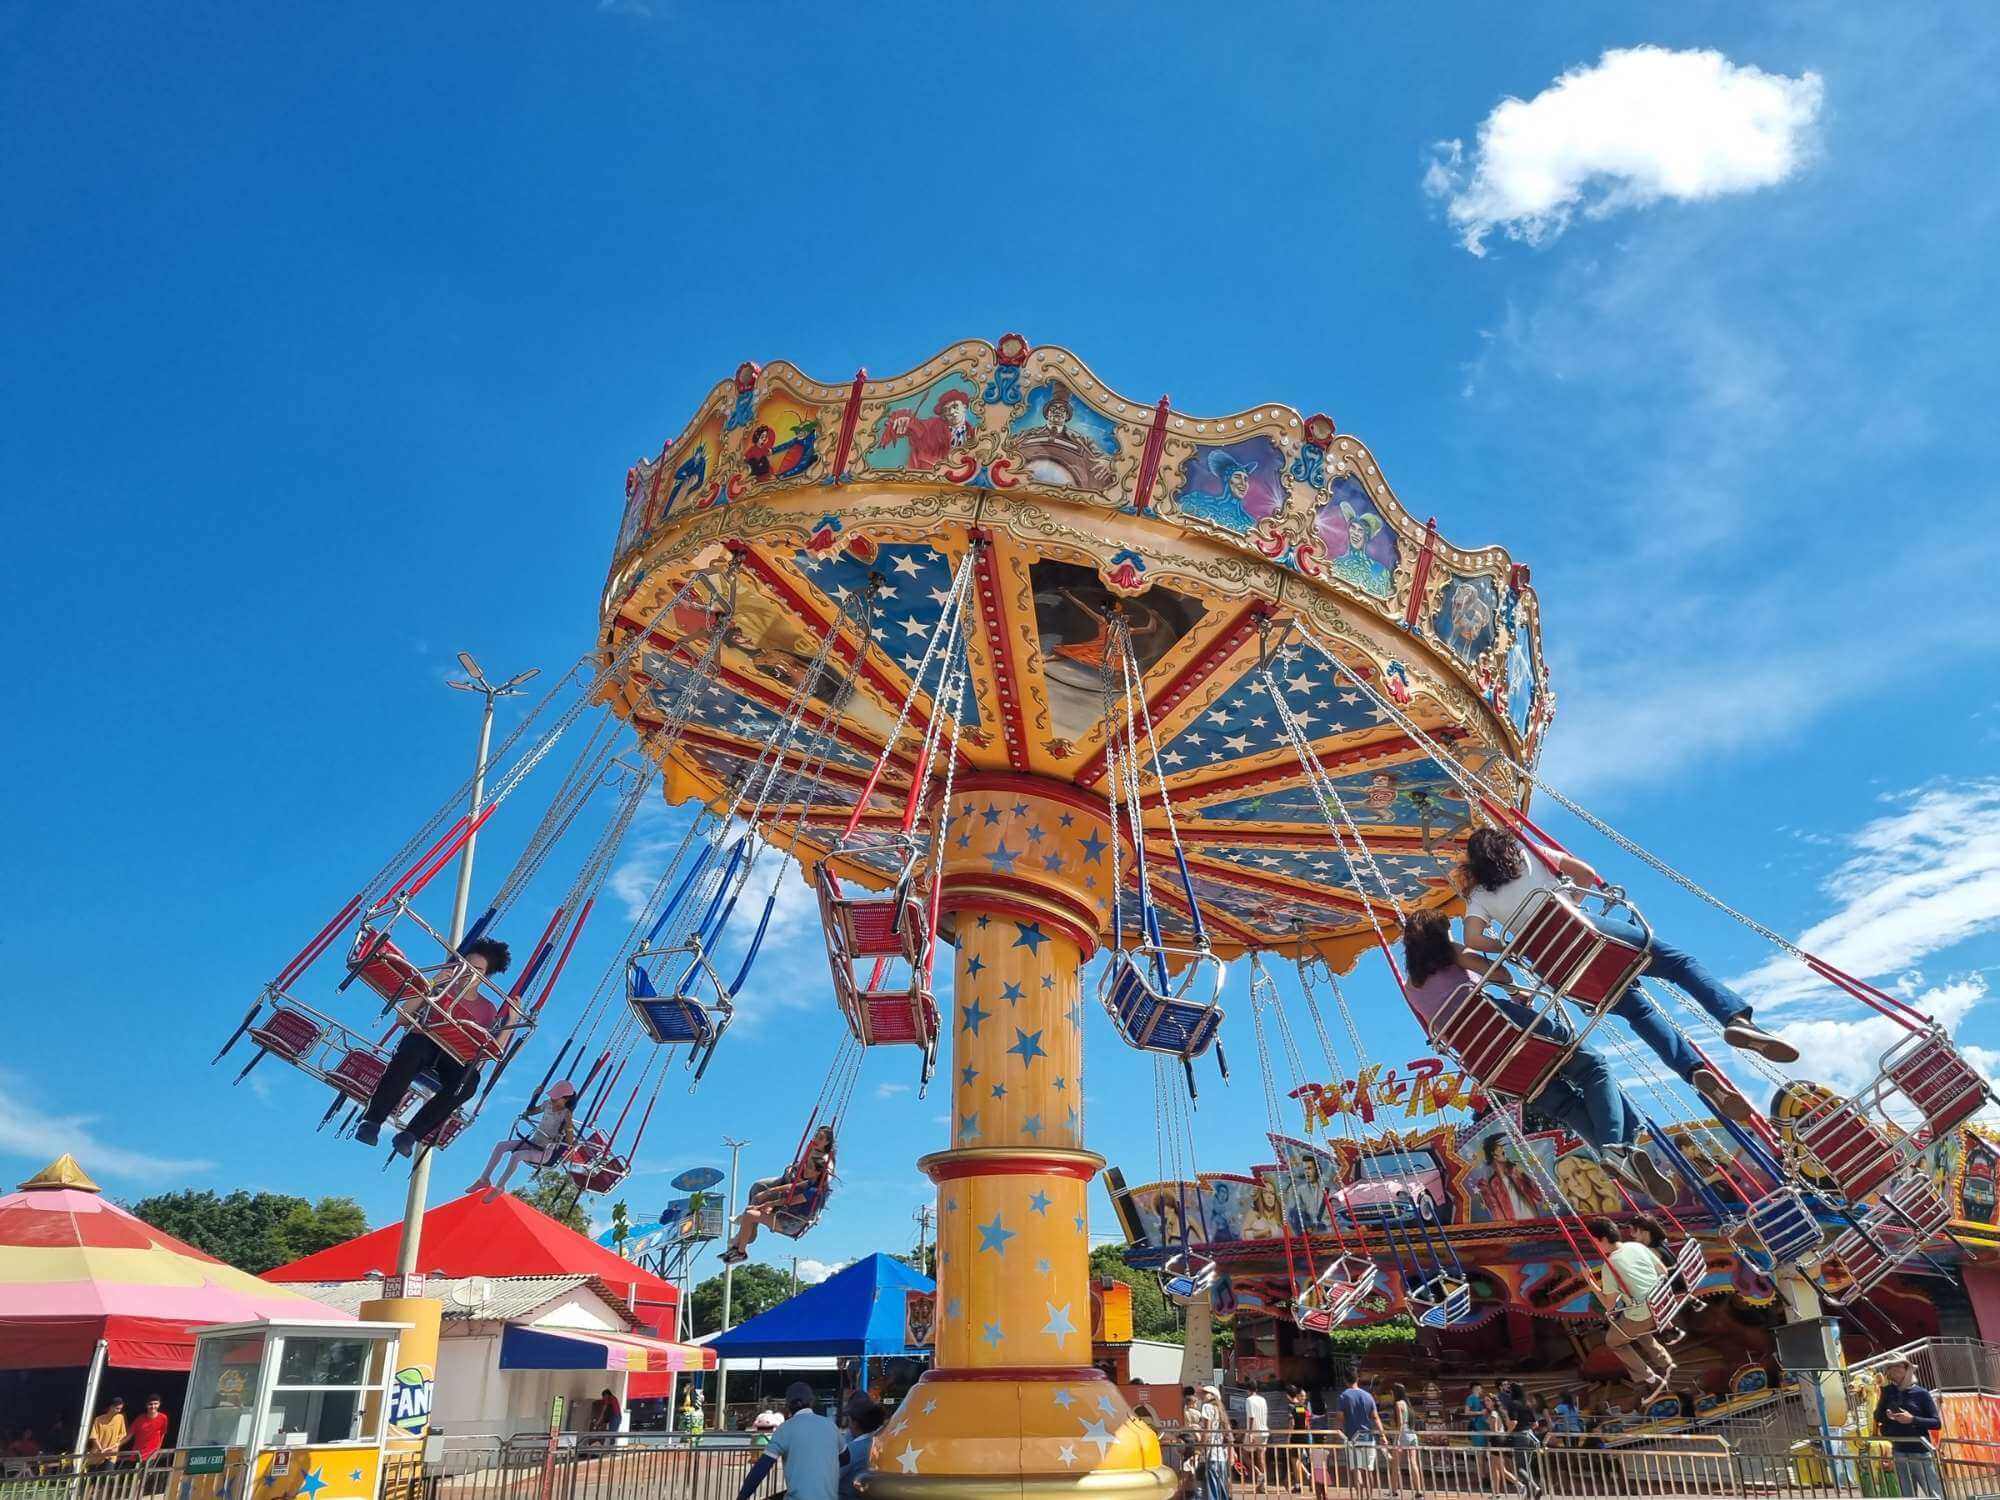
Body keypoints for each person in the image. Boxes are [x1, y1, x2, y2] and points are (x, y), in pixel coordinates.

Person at [1456, 829, 1797, 1123]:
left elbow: (1472, 940)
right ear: (1504, 845)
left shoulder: (1479, 896)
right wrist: (1572, 901)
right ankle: (1735, 1019)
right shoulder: (1526, 852)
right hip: (1587, 934)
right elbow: (1586, 872)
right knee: (1679, 964)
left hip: (1560, 970)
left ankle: (1695, 1073)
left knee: (1639, 1013)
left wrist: (1515, 946)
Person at [1400, 910, 1676, 1203]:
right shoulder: (1452, 953)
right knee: (1594, 1067)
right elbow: (1500, 974)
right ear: (1440, 935)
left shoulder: (1411, 988)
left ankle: (1619, 1152)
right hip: (1509, 1029)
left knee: (1565, 1105)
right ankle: (1615, 1145)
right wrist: (1515, 992)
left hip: (1486, 1061)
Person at [356, 937, 514, 1155]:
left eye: (476, 969)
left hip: (453, 1055)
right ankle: (372, 1122)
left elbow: (489, 1053)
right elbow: (402, 1019)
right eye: (465, 965)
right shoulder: (439, 986)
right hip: (423, 1041)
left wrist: (512, 1022)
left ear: (485, 977)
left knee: (469, 1083)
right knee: (412, 1053)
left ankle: (410, 1135)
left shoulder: (487, 1009)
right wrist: (432, 984)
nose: (468, 972)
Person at [1585, 1217, 1676, 1405]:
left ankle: (1650, 1377)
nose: (1594, 1246)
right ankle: (1664, 1362)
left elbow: (1609, 1305)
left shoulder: (1609, 1267)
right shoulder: (1637, 1247)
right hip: (1662, 1305)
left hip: (1643, 1314)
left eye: (1593, 1241)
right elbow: (1663, 1272)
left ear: (1602, 1239)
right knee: (1628, 1327)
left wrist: (1592, 1285)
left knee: (1614, 1341)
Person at [720, 1126, 837, 1265]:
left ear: (828, 1142)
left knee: (753, 1211)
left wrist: (768, 1204)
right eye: (816, 1135)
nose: (816, 1139)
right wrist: (768, 1193)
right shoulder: (810, 1152)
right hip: (792, 1183)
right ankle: (749, 1232)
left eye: (821, 1138)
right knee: (758, 1188)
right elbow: (800, 1171)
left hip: (794, 1216)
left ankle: (742, 1244)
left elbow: (797, 1196)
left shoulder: (821, 1170)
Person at [468, 1080, 577, 1198]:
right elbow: (529, 1112)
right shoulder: (547, 1105)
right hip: (533, 1142)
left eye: (555, 1098)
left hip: (544, 1152)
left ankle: (499, 1187)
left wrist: (568, 1125)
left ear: (565, 1099)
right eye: (552, 1097)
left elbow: (570, 1141)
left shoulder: (566, 1114)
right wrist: (534, 1096)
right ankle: (484, 1179)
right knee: (501, 1146)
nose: (552, 1100)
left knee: (517, 1156)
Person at [738, 1383, 839, 1500]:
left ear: (788, 1406)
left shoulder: (785, 1429)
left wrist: (741, 1497)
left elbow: (761, 1468)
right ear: (811, 1402)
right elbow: (845, 1458)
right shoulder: (830, 1426)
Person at [1874, 1359, 1943, 1499]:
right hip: (1899, 1450)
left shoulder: (1921, 1393)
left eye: (1898, 1366)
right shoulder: (1887, 1392)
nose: (1894, 1369)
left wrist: (1912, 1419)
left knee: (1934, 1494)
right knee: (1907, 1495)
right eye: (1890, 1367)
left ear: (1907, 1369)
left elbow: (1936, 1422)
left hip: (1920, 1452)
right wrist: (1888, 1415)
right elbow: (1877, 1415)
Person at [1336, 1375, 1385, 1498]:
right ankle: (1369, 1496)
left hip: (1352, 1438)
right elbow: (1376, 1417)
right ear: (1358, 1379)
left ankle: (1359, 1497)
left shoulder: (1344, 1396)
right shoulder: (1368, 1396)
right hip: (1368, 1438)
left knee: (1356, 1470)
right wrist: (1383, 1435)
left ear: (1345, 1380)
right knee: (1368, 1471)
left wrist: (1338, 1433)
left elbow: (1340, 1418)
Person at [838, 1398, 886, 1500]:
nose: (848, 1426)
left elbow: (832, 1476)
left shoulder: (850, 1450)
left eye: (849, 1421)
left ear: (855, 1424)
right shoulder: (880, 1445)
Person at [1501, 1382, 1542, 1499]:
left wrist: (1507, 1433)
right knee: (1526, 1466)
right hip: (1530, 1436)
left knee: (1520, 1467)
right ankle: (1529, 1494)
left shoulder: (1514, 1404)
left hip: (1520, 1437)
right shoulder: (1527, 1404)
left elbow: (1514, 1422)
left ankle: (1535, 1487)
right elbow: (1536, 1424)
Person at [1388, 1383, 1423, 1500]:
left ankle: (1394, 1490)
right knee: (1413, 1462)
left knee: (1395, 1464)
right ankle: (1418, 1490)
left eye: (1392, 1392)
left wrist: (1397, 1440)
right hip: (1412, 1435)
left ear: (1395, 1392)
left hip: (1403, 1435)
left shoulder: (1398, 1404)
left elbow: (1400, 1424)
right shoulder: (1408, 1405)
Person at [1243, 1385, 1269, 1492]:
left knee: (1244, 1454)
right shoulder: (1263, 1399)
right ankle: (1263, 1485)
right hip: (1264, 1430)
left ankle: (1258, 1473)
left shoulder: (1249, 1400)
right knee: (1261, 1457)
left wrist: (1250, 1433)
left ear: (1248, 1390)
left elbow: (1251, 1416)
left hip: (1254, 1431)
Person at [128, 1397, 168, 1462]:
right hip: (137, 1454)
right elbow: (129, 1435)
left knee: (147, 1471)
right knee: (133, 1471)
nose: (153, 1406)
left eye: (156, 1404)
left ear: (159, 1404)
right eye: (150, 1404)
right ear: (146, 1405)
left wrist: (157, 1450)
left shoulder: (163, 1418)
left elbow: (162, 1434)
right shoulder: (139, 1419)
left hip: (151, 1455)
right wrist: (117, 1445)